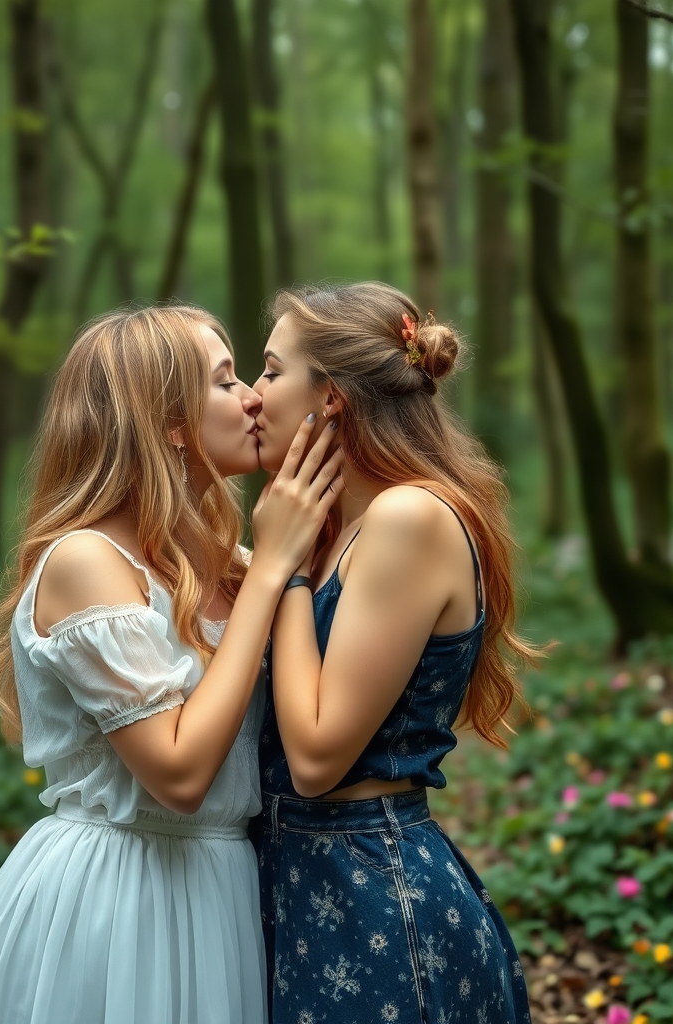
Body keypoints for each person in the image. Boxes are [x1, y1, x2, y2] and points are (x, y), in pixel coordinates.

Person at [0, 305, 343, 1024]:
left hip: (224, 894)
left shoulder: (240, 567)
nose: (253, 394)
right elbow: (179, 773)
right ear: (169, 422)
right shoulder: (86, 562)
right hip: (115, 899)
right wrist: (277, 565)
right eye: (225, 383)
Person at [253, 282, 539, 1023]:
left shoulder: (407, 517)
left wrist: (284, 570)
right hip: (301, 893)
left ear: (333, 399)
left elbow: (317, 761)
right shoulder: (341, 529)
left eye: (271, 370)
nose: (254, 395)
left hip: (375, 904)